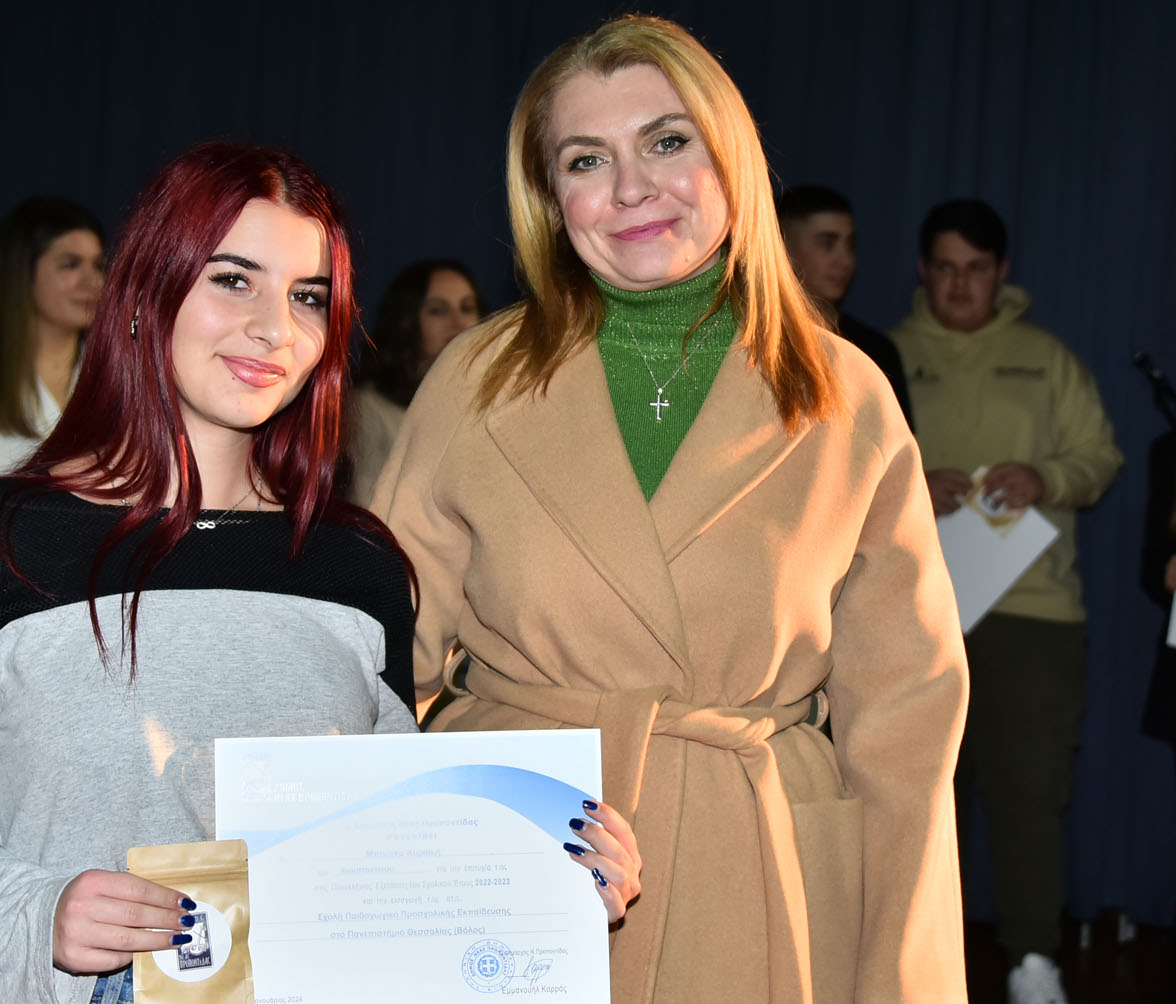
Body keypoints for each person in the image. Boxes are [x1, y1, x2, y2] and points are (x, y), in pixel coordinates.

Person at [0, 143, 634, 1004]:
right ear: (147, 292)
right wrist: (35, 917)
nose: (274, 329)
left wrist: (541, 878)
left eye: (307, 296)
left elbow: (387, 860)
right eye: (234, 280)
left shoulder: (359, 568)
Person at [373, 14, 970, 1002]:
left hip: (760, 879)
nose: (631, 187)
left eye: (666, 140)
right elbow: (381, 666)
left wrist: (903, 980)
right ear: (549, 197)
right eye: (585, 159)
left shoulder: (847, 396)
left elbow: (907, 731)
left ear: (730, 157)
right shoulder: (473, 380)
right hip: (516, 868)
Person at [890, 197, 1122, 1004]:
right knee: (918, 800)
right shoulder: (884, 356)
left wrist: (1045, 477)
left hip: (1033, 613)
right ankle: (918, 969)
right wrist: (912, 485)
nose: (960, 285)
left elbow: (1100, 457)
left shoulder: (1047, 358)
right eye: (946, 268)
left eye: (977, 270)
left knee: (1030, 793)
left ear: (1003, 273)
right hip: (912, 615)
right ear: (923, 271)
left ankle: (1032, 961)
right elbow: (836, 473)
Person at [0, 197, 105, 490]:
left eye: (98, 265)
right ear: (23, 273)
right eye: (70, 265)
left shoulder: (114, 374)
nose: (93, 281)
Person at [775, 184, 913, 426]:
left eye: (850, 245)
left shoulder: (876, 350)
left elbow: (898, 442)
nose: (844, 260)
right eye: (827, 244)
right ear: (783, 247)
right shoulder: (758, 344)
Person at [349, 259, 483, 503]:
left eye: (467, 308)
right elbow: (367, 506)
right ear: (407, 320)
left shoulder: (491, 400)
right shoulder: (369, 409)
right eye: (438, 310)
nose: (458, 323)